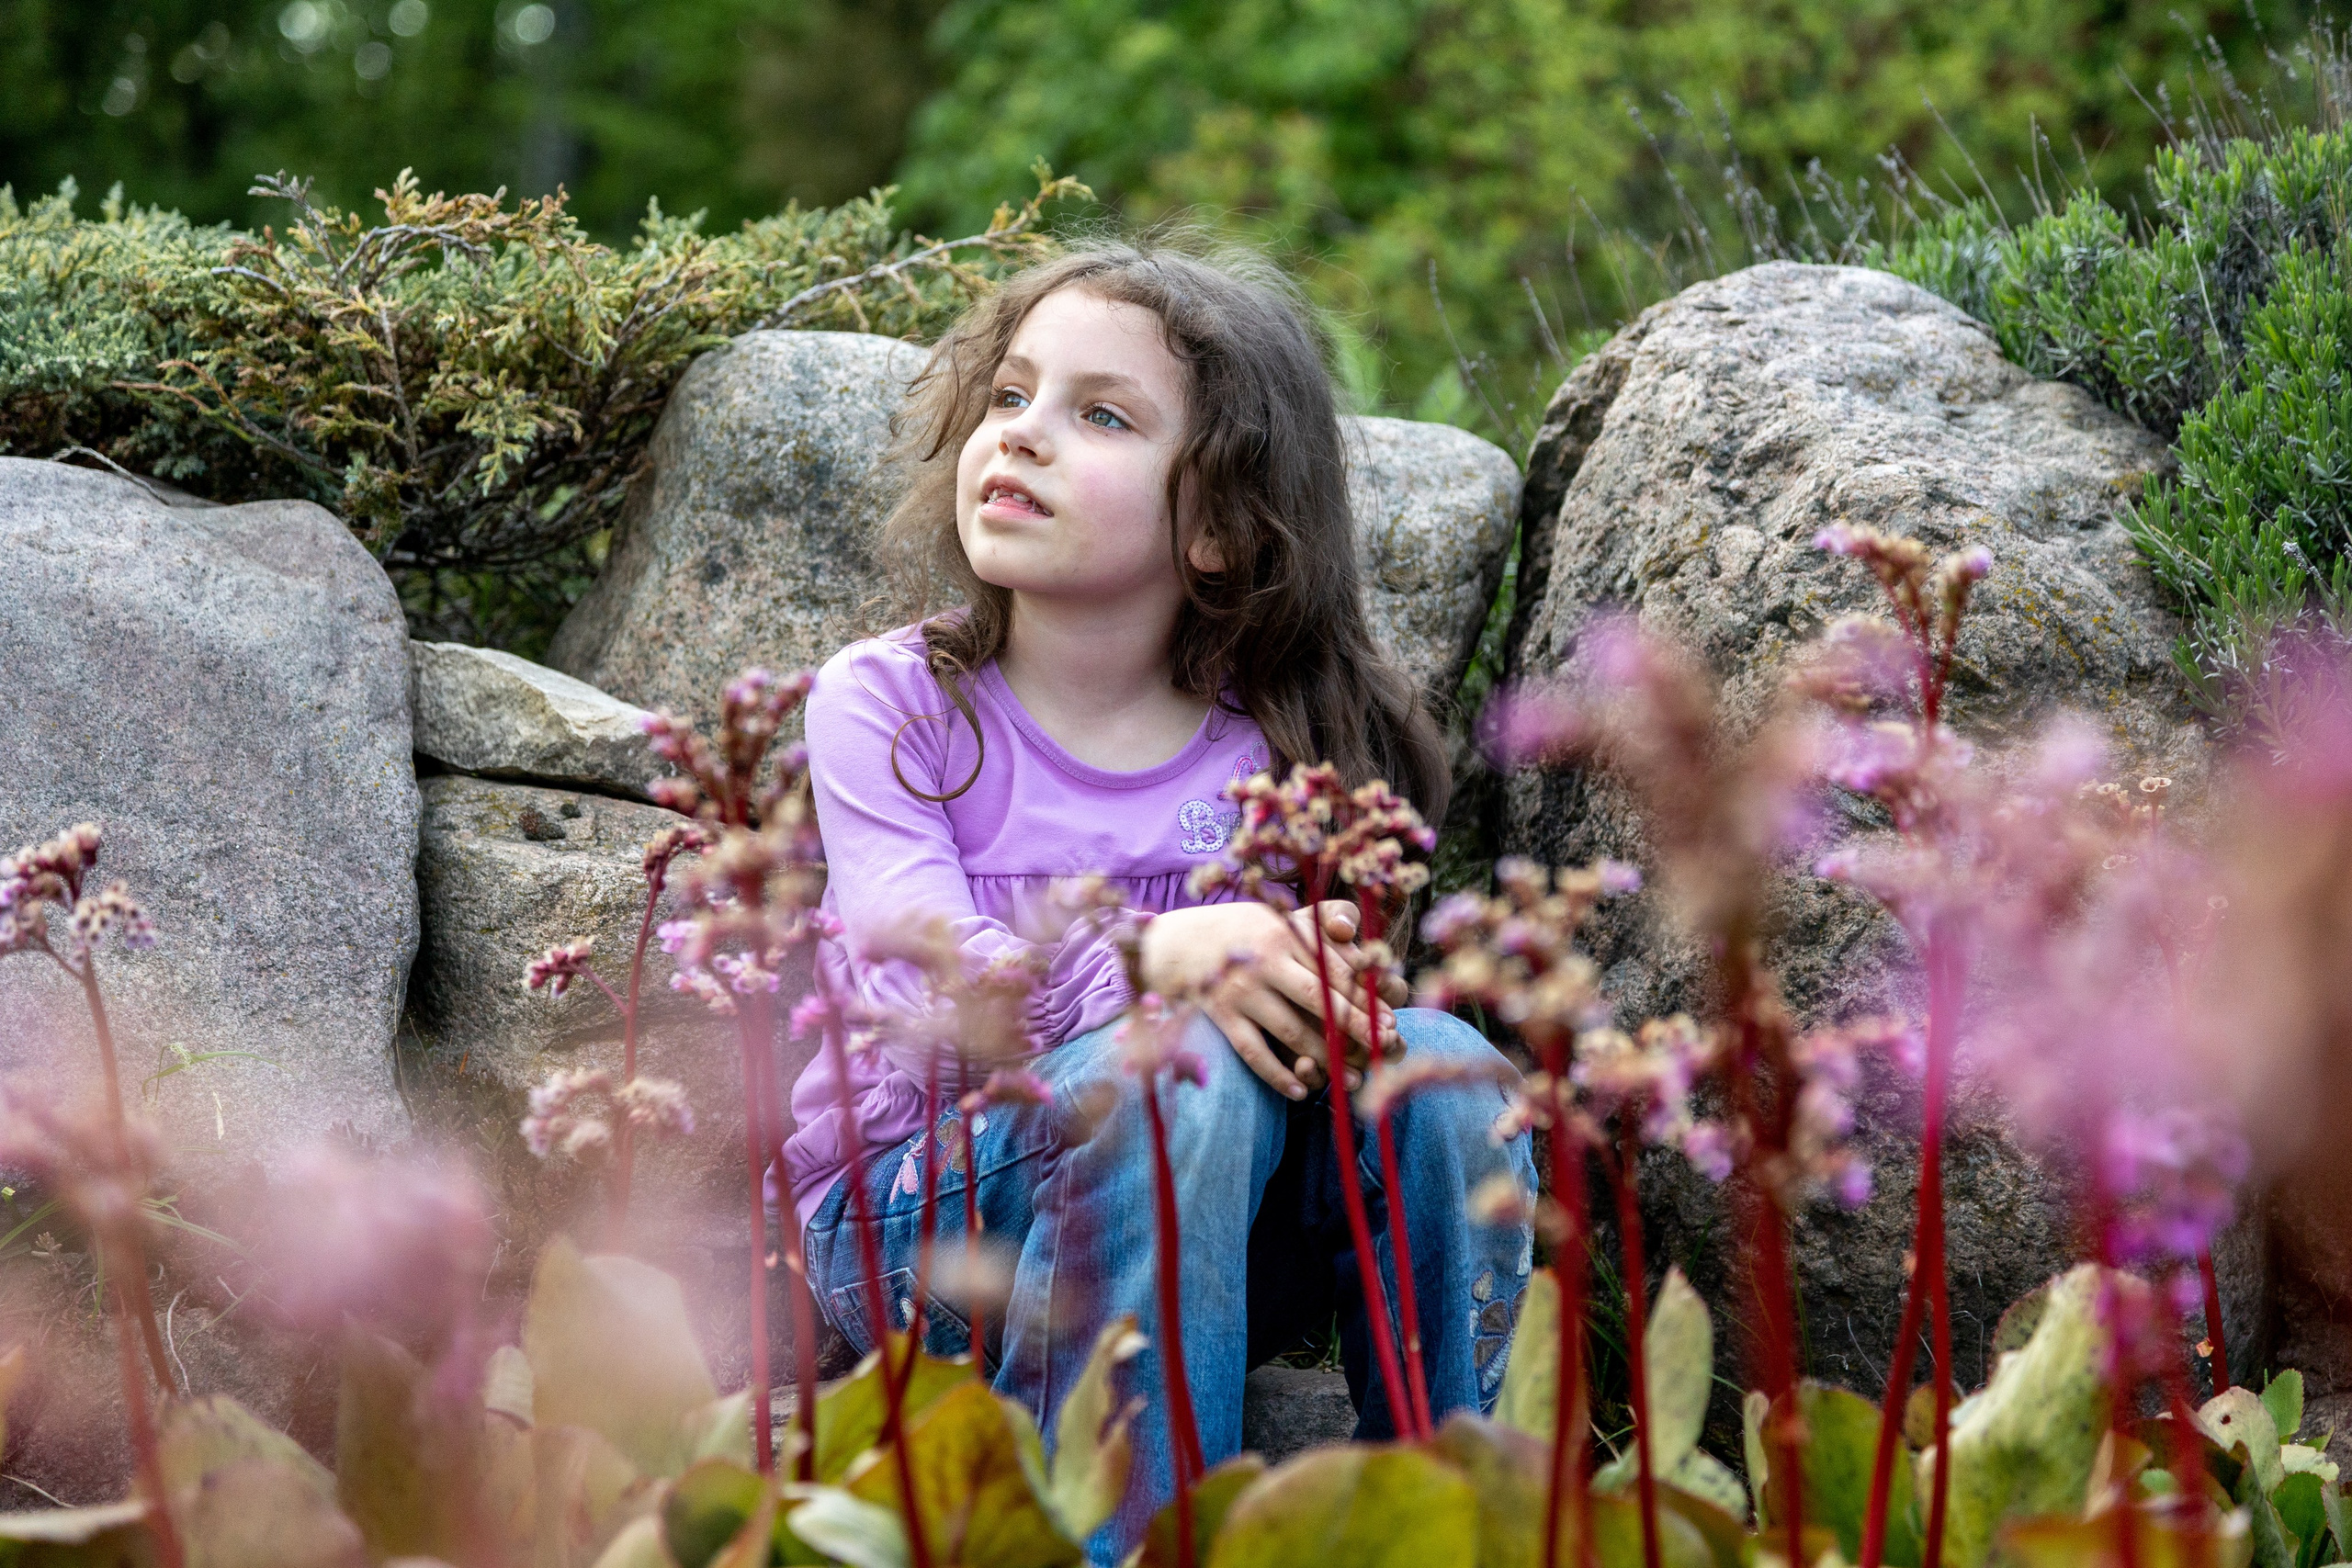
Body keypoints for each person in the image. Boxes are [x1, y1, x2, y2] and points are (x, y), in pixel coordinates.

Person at [779, 240, 1534, 1561]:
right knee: (1175, 1062)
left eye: (1101, 415)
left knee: (1448, 1071)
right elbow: (919, 985)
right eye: (1010, 397)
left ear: (1220, 528)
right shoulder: (894, 705)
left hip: (1216, 1230)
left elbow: (1313, 1045)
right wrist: (1148, 957)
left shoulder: (1272, 749)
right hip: (923, 1214)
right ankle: (1125, 1539)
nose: (1022, 438)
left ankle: (1458, 1508)